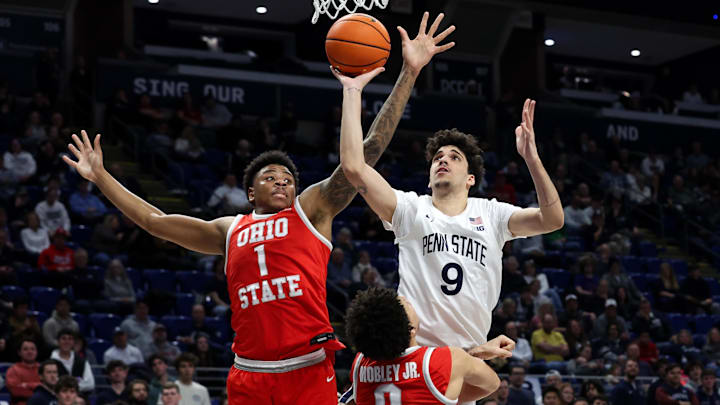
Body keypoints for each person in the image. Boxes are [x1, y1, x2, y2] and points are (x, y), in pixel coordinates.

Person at [62, 10, 452, 405]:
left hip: (307, 367)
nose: (282, 180)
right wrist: (101, 178)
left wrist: (409, 72)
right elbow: (154, 221)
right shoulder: (229, 229)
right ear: (250, 193)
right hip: (248, 373)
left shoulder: (310, 211)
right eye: (270, 176)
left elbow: (366, 152)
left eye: (288, 177)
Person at [334, 44, 563, 363]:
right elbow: (354, 167)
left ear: (471, 179)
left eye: (455, 157)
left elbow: (552, 220)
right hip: (411, 356)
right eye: (438, 157)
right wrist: (353, 90)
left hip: (468, 360)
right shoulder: (411, 209)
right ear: (428, 177)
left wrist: (532, 158)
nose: (444, 160)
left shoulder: (492, 213)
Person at [342, 288, 504, 405]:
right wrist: (471, 357)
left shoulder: (360, 364)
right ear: (410, 330)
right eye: (404, 305)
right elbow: (492, 384)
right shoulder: (447, 360)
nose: (405, 299)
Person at [50, 329, 95, 394]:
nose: (67, 342)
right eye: (63, 338)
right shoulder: (50, 362)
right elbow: (51, 384)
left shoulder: (82, 361)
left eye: (70, 339)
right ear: (58, 341)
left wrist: (67, 388)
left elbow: (90, 384)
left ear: (73, 342)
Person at [5, 339, 41, 405]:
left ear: (37, 352)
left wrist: (27, 385)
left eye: (32, 349)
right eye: (25, 349)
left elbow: (50, 388)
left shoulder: (43, 368)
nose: (29, 352)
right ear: (19, 352)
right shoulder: (13, 370)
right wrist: (39, 389)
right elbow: (15, 391)